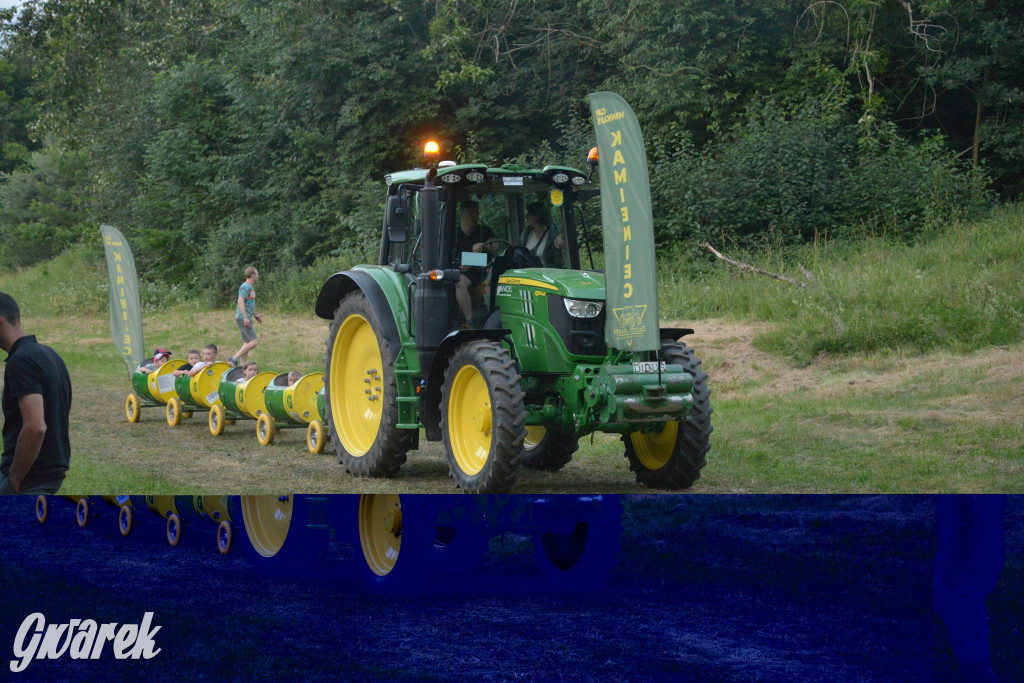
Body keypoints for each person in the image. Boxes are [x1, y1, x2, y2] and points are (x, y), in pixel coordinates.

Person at [0, 292, 72, 495]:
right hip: (49, 471)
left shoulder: (21, 362)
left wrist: (14, 478)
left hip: (30, 478)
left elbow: (35, 427)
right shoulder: (49, 354)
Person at [454, 201, 498, 327]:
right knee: (459, 281)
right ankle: (470, 320)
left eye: (477, 213)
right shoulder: (454, 236)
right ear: (461, 214)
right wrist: (472, 257)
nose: (475, 217)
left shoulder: (484, 231)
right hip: (467, 275)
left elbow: (495, 245)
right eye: (472, 213)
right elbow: (460, 265)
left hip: (487, 273)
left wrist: (485, 246)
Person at [228, 266, 263, 366]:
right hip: (243, 319)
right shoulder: (245, 286)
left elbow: (248, 304)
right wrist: (246, 318)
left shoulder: (250, 288)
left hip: (245, 317)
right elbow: (240, 301)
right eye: (257, 273)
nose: (258, 275)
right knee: (254, 342)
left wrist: (255, 315)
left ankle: (242, 367)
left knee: (247, 344)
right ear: (252, 275)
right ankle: (233, 359)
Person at [524, 202, 564, 267]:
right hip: (527, 274)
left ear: (536, 216)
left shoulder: (552, 235)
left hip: (545, 274)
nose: (526, 217)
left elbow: (558, 264)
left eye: (529, 214)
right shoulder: (525, 234)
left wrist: (558, 250)